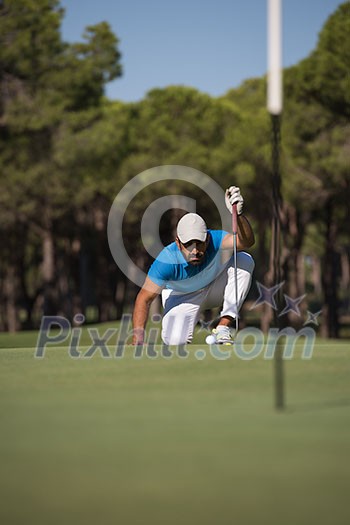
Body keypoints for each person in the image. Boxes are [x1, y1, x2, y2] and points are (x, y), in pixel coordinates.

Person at [132, 186, 255, 346]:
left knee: (244, 260)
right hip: (181, 298)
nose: (195, 250)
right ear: (178, 242)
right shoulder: (166, 260)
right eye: (189, 244)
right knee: (176, 341)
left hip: (213, 288)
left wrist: (238, 216)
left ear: (207, 239)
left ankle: (223, 327)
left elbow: (246, 242)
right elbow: (144, 299)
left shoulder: (215, 238)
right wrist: (138, 339)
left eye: (200, 243)